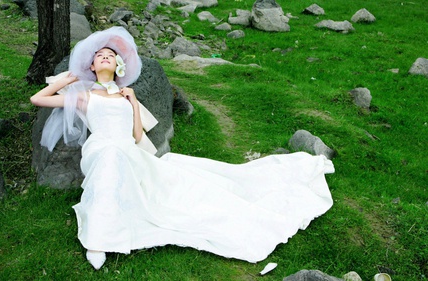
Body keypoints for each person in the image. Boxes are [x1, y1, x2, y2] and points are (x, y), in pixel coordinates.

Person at [30, 26, 335, 270]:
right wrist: (67, 79)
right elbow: (38, 100)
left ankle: (107, 230)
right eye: (100, 56)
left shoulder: (126, 96)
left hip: (128, 149)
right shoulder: (85, 95)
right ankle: (99, 237)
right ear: (93, 65)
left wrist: (134, 102)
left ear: (119, 65)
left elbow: (137, 136)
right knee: (109, 158)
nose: (106, 57)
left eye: (111, 54)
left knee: (140, 168)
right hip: (101, 149)